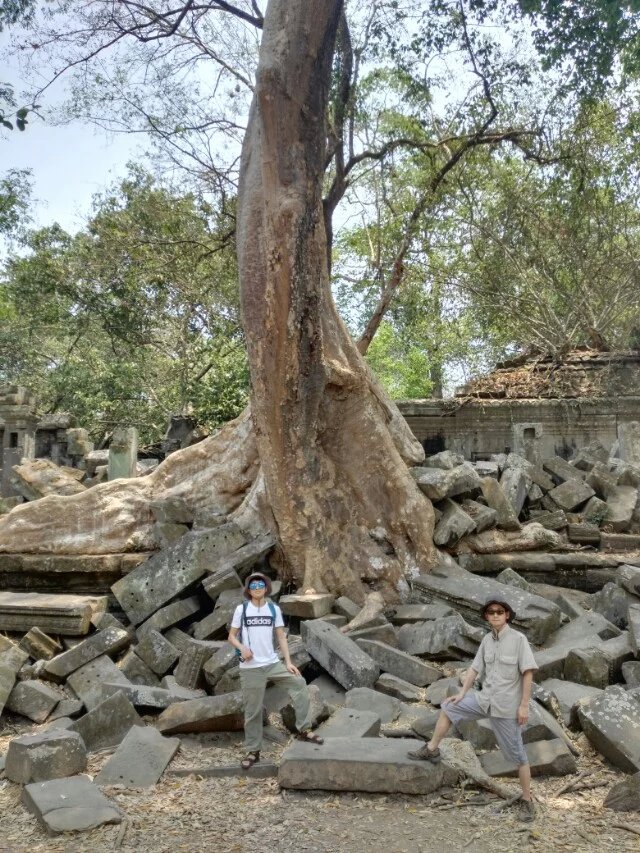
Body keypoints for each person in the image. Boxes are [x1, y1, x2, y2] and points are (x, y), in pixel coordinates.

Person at [408, 593, 538, 822]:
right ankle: (432, 748)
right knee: (449, 707)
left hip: (506, 707)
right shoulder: (487, 640)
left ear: (507, 615)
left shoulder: (519, 640)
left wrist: (524, 706)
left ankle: (527, 801)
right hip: (484, 698)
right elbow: (474, 669)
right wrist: (461, 694)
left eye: (500, 612)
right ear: (487, 617)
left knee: (518, 755)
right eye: (491, 612)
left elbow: (528, 672)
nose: (495, 615)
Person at [228, 571, 324, 769]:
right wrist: (242, 648)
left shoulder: (273, 609)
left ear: (266, 588)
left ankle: (304, 729)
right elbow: (231, 636)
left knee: (299, 684)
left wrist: (288, 662)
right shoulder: (242, 610)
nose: (257, 589)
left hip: (272, 664)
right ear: (248, 590)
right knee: (253, 711)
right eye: (253, 586)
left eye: (260, 585)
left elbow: (281, 637)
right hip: (250, 668)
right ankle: (253, 751)